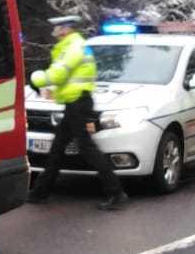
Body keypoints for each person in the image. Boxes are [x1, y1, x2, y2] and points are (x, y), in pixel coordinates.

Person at [26, 14, 128, 211]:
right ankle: (40, 192)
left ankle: (116, 193)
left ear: (65, 29)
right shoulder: (74, 45)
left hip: (78, 105)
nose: (53, 31)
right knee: (57, 148)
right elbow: (69, 79)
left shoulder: (73, 47)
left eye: (56, 28)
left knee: (87, 149)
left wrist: (37, 78)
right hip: (75, 103)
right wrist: (53, 92)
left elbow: (59, 73)